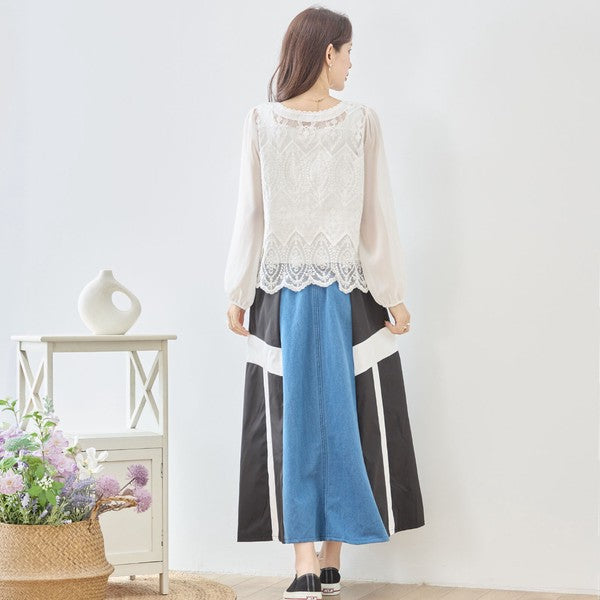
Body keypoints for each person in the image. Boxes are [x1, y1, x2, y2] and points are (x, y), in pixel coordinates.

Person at [224, 7, 424, 600]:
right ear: (327, 51)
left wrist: (238, 291)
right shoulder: (351, 121)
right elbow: (375, 217)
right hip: (339, 292)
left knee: (302, 414)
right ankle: (323, 560)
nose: (353, 63)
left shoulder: (270, 121)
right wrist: (392, 295)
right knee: (341, 412)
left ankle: (310, 564)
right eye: (349, 50)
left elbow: (251, 215)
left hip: (293, 291)